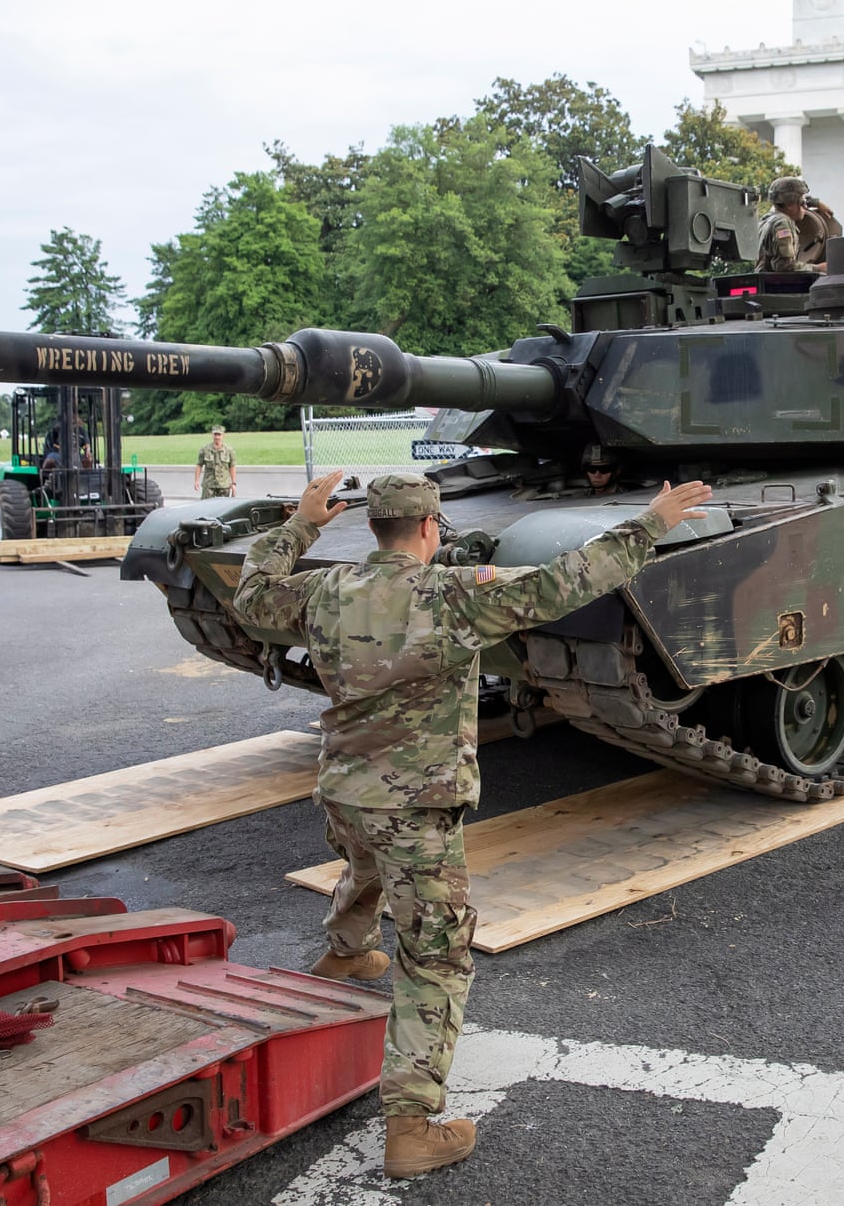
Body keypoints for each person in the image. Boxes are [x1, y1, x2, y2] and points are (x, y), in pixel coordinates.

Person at [232, 469, 713, 1178]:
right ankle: (410, 1125)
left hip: (344, 792)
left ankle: (344, 947)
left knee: (366, 862)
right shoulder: (455, 594)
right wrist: (650, 522)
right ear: (429, 528)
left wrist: (301, 524)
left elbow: (250, 595)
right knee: (435, 958)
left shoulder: (324, 589)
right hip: (417, 806)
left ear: (373, 527)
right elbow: (563, 581)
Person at [757, 177, 842, 274]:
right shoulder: (782, 223)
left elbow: (789, 201)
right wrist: (818, 268)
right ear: (789, 205)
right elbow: (784, 266)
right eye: (802, 203)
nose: (805, 207)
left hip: (763, 279)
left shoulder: (767, 218)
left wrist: (816, 203)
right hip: (777, 286)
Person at [194, 426, 237, 499]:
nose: (217, 437)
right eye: (215, 434)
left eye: (219, 434)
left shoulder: (229, 450)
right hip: (209, 485)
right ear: (212, 435)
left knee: (223, 508)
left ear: (223, 435)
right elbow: (199, 465)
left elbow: (232, 467)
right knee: (207, 507)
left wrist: (233, 484)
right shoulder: (205, 450)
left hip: (224, 486)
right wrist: (196, 481)